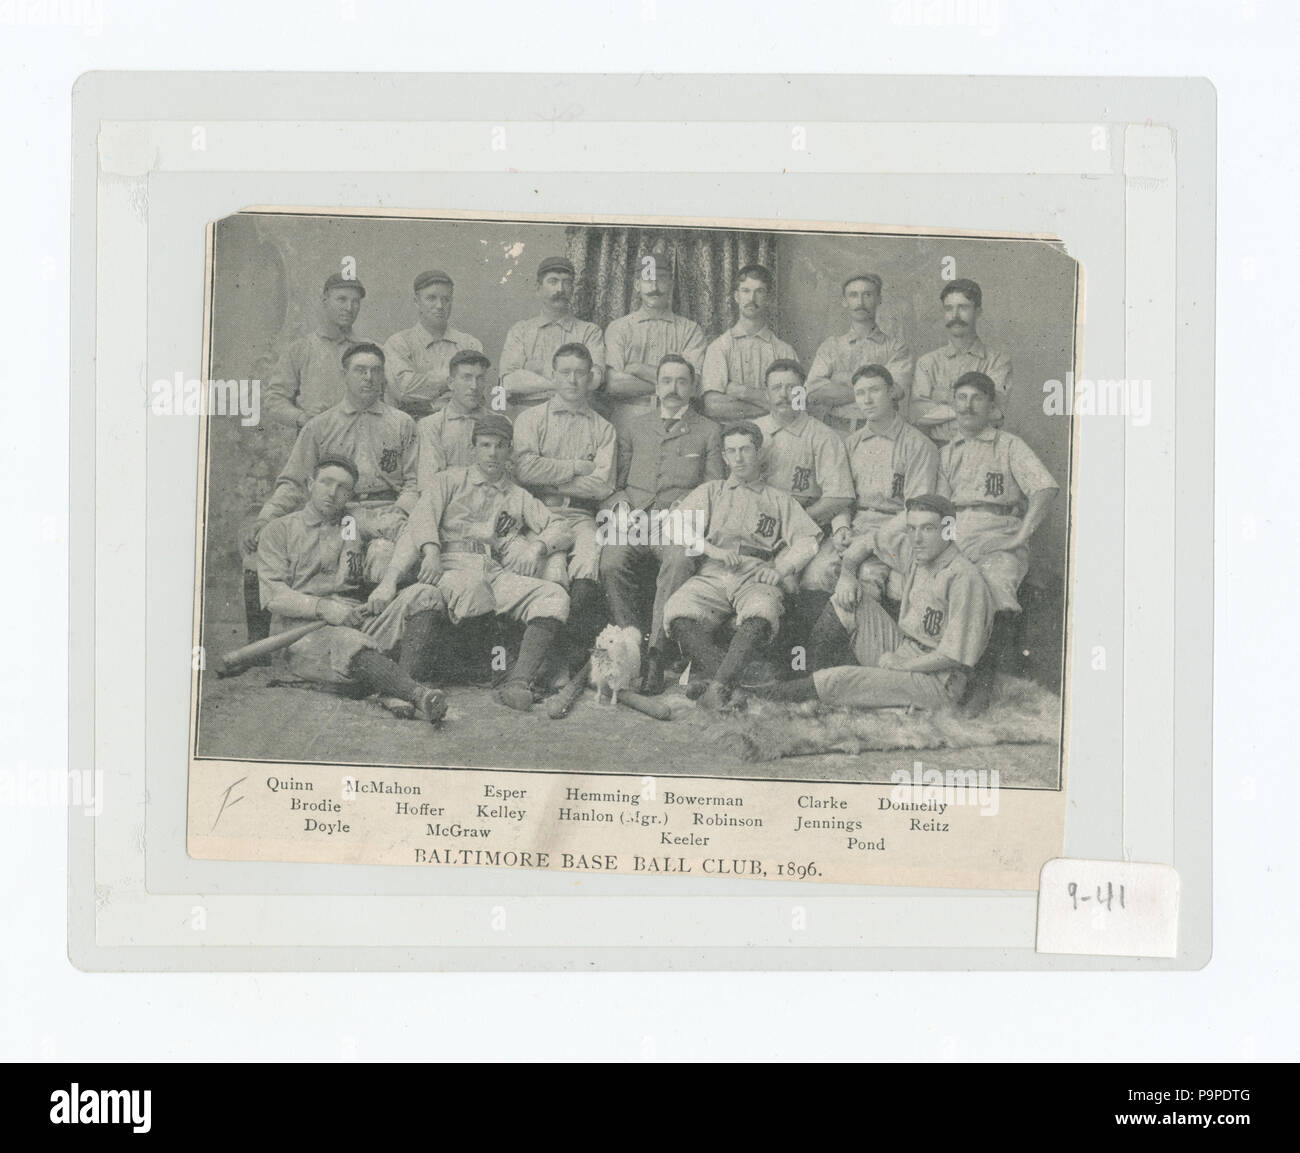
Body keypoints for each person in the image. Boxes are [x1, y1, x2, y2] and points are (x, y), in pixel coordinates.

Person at [370, 414, 571, 712]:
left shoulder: (517, 495)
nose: (492, 453)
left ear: (509, 451)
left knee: (554, 596)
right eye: (485, 445)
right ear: (473, 448)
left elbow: (561, 527)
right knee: (474, 588)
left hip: (494, 570)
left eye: (500, 446)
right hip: (450, 565)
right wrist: (430, 553)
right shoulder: (449, 480)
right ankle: (485, 668)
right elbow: (420, 521)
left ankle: (518, 681)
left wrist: (537, 548)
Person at [240, 342, 418, 648]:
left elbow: (415, 482)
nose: (368, 378)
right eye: (360, 370)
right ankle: (265, 647)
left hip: (386, 511)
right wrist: (266, 516)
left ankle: (383, 644)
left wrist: (399, 513)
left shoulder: (401, 423)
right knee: (267, 546)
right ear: (344, 375)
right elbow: (294, 481)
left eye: (376, 371)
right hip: (337, 512)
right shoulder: (320, 426)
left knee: (385, 555)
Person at [753, 495, 993, 711]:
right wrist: (847, 574)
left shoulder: (965, 579)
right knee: (847, 601)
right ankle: (806, 688)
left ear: (949, 530)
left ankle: (758, 698)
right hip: (906, 649)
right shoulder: (918, 552)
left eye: (928, 529)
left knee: (839, 680)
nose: (917, 538)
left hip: (939, 680)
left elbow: (952, 656)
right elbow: (867, 542)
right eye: (912, 528)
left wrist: (902, 665)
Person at [256, 455, 448, 723]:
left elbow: (410, 530)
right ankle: (416, 693)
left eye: (342, 488)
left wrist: (387, 584)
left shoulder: (354, 520)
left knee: (426, 595)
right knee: (349, 642)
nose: (332, 493)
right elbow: (275, 597)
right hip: (300, 632)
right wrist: (324, 608)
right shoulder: (280, 530)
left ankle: (393, 690)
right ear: (310, 483)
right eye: (326, 483)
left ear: (350, 493)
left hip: (356, 618)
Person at [662, 422, 821, 709]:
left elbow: (808, 541)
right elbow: (675, 525)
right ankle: (741, 683)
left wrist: (779, 569)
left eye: (746, 449)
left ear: (758, 453)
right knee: (677, 610)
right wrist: (710, 549)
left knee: (763, 611)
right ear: (723, 457)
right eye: (732, 451)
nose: (739, 458)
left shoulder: (778, 499)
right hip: (714, 569)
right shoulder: (713, 491)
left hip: (755, 572)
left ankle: (719, 686)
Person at [599, 354, 724, 694]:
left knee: (680, 560)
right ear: (656, 386)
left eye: (682, 381)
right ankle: (630, 645)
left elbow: (714, 488)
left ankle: (656, 654)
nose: (673, 388)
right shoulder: (634, 427)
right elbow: (617, 484)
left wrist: (685, 511)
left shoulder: (709, 431)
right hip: (636, 518)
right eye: (667, 381)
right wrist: (622, 506)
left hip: (680, 520)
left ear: (693, 387)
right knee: (610, 561)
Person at [938, 370, 1058, 711]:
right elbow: (942, 508)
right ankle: (948, 679)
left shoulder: (1008, 445)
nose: (967, 405)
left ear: (992, 406)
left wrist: (1021, 535)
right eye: (961, 398)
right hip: (958, 533)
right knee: (943, 585)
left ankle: (982, 680)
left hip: (999, 532)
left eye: (976, 398)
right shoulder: (949, 452)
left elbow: (1045, 488)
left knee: (993, 586)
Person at [511, 342, 618, 671]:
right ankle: (537, 659)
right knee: (547, 570)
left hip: (581, 515)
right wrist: (575, 466)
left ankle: (564, 657)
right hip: (538, 513)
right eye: (565, 372)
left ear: (590, 378)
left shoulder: (603, 428)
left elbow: (602, 484)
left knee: (589, 561)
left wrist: (550, 474)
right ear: (553, 375)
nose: (572, 380)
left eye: (580, 373)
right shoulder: (531, 419)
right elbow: (524, 470)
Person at [801, 364, 939, 595]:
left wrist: (870, 540)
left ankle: (865, 630)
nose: (867, 400)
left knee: (867, 578)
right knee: (815, 575)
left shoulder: (918, 445)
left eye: (874, 390)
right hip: (855, 526)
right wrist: (841, 527)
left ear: (892, 391)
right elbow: (843, 498)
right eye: (860, 393)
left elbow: (916, 510)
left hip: (895, 531)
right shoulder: (851, 444)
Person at [601, 249, 706, 431]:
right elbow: (614, 384)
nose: (654, 286)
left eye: (661, 279)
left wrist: (637, 368)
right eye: (648, 279)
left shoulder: (690, 330)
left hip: (676, 418)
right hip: (629, 417)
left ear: (671, 284)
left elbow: (692, 384)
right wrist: (673, 384)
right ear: (637, 285)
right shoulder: (619, 327)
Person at [806, 272, 914, 433]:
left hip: (881, 432)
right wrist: (875, 390)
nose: (860, 302)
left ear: (879, 299)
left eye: (868, 295)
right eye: (853, 295)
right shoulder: (830, 347)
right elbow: (814, 394)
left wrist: (840, 381)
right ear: (844, 301)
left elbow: (896, 391)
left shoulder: (896, 348)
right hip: (835, 432)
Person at [264, 272, 370, 429]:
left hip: (361, 439)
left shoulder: (371, 350)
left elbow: (386, 400)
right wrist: (301, 418)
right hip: (315, 442)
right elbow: (274, 400)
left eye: (355, 302)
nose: (349, 308)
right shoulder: (300, 349)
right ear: (325, 301)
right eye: (342, 299)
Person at [912, 278, 1012, 444]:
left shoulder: (998, 362)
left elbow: (994, 414)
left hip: (982, 449)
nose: (955, 316)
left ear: (978, 311)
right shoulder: (927, 362)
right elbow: (917, 415)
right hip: (936, 451)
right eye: (949, 309)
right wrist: (970, 405)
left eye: (963, 308)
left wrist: (942, 397)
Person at [498, 256, 605, 410]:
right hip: (527, 415)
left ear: (573, 289)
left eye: (566, 282)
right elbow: (509, 382)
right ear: (538, 288)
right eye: (553, 281)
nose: (560, 289)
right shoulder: (520, 331)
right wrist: (567, 380)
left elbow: (594, 380)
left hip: (574, 416)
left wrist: (535, 369)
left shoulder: (589, 332)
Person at [700, 264, 797, 422]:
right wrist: (772, 404)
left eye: (759, 291)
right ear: (736, 296)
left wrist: (744, 392)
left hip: (776, 438)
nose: (751, 299)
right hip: (731, 439)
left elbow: (797, 405)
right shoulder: (719, 348)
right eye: (746, 291)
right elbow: (712, 406)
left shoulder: (784, 351)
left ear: (769, 298)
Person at [382, 269, 485, 419]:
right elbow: (403, 390)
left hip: (459, 426)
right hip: (411, 428)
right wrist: (453, 378)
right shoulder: (398, 343)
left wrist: (424, 393)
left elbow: (474, 394)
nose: (439, 306)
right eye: (431, 298)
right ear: (417, 302)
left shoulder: (470, 344)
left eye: (446, 299)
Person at [415, 350, 496, 489]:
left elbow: (506, 475)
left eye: (480, 378)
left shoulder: (497, 422)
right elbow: (429, 482)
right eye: (466, 378)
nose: (474, 386)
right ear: (451, 383)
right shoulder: (431, 425)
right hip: (448, 503)